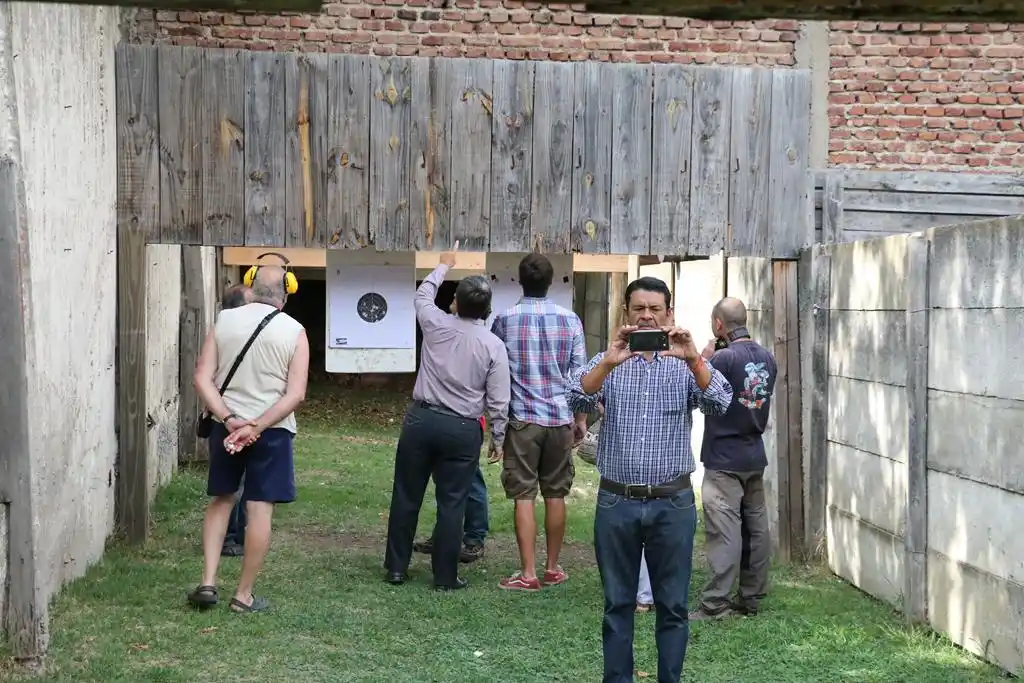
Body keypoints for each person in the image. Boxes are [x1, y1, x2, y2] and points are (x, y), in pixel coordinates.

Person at [567, 276, 733, 683]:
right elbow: (574, 396)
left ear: (668, 313)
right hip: (616, 502)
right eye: (638, 308)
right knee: (617, 604)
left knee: (673, 606)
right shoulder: (609, 361)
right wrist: (608, 361)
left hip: (671, 504)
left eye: (654, 309)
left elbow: (723, 401)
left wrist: (694, 359)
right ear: (626, 313)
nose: (645, 315)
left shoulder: (684, 366)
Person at [383, 241, 510, 591]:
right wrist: (499, 437)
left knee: (407, 494)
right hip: (463, 428)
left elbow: (422, 295)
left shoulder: (435, 322)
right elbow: (499, 399)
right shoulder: (493, 345)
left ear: (455, 303)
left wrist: (444, 265)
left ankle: (396, 568)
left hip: (421, 420)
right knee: (453, 502)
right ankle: (444, 576)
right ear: (487, 310)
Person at [188, 263, 309, 613]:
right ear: (287, 291)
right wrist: (256, 426)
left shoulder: (224, 321)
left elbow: (201, 378)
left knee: (221, 500)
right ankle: (243, 595)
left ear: (250, 285)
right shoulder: (295, 331)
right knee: (258, 509)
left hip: (226, 428)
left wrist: (228, 419)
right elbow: (295, 393)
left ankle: (208, 582)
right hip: (271, 432)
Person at [489, 253, 588, 591]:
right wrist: (580, 418)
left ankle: (528, 573)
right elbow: (580, 375)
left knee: (524, 495)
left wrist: (496, 425)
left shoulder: (504, 320)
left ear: (520, 280)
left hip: (522, 420)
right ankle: (553, 567)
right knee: (556, 492)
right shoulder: (570, 320)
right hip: (560, 419)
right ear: (549, 282)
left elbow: (497, 374)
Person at [690, 297, 777, 620]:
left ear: (718, 324)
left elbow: (699, 393)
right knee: (756, 531)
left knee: (724, 531)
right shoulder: (767, 358)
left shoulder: (723, 358)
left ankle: (715, 604)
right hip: (754, 455)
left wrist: (703, 358)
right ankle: (751, 597)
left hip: (724, 457)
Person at [219, 284, 253, 558]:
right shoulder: (228, 336)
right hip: (230, 418)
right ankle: (229, 538)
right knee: (232, 485)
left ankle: (238, 534)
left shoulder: (225, 333)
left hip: (244, 417)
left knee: (244, 482)